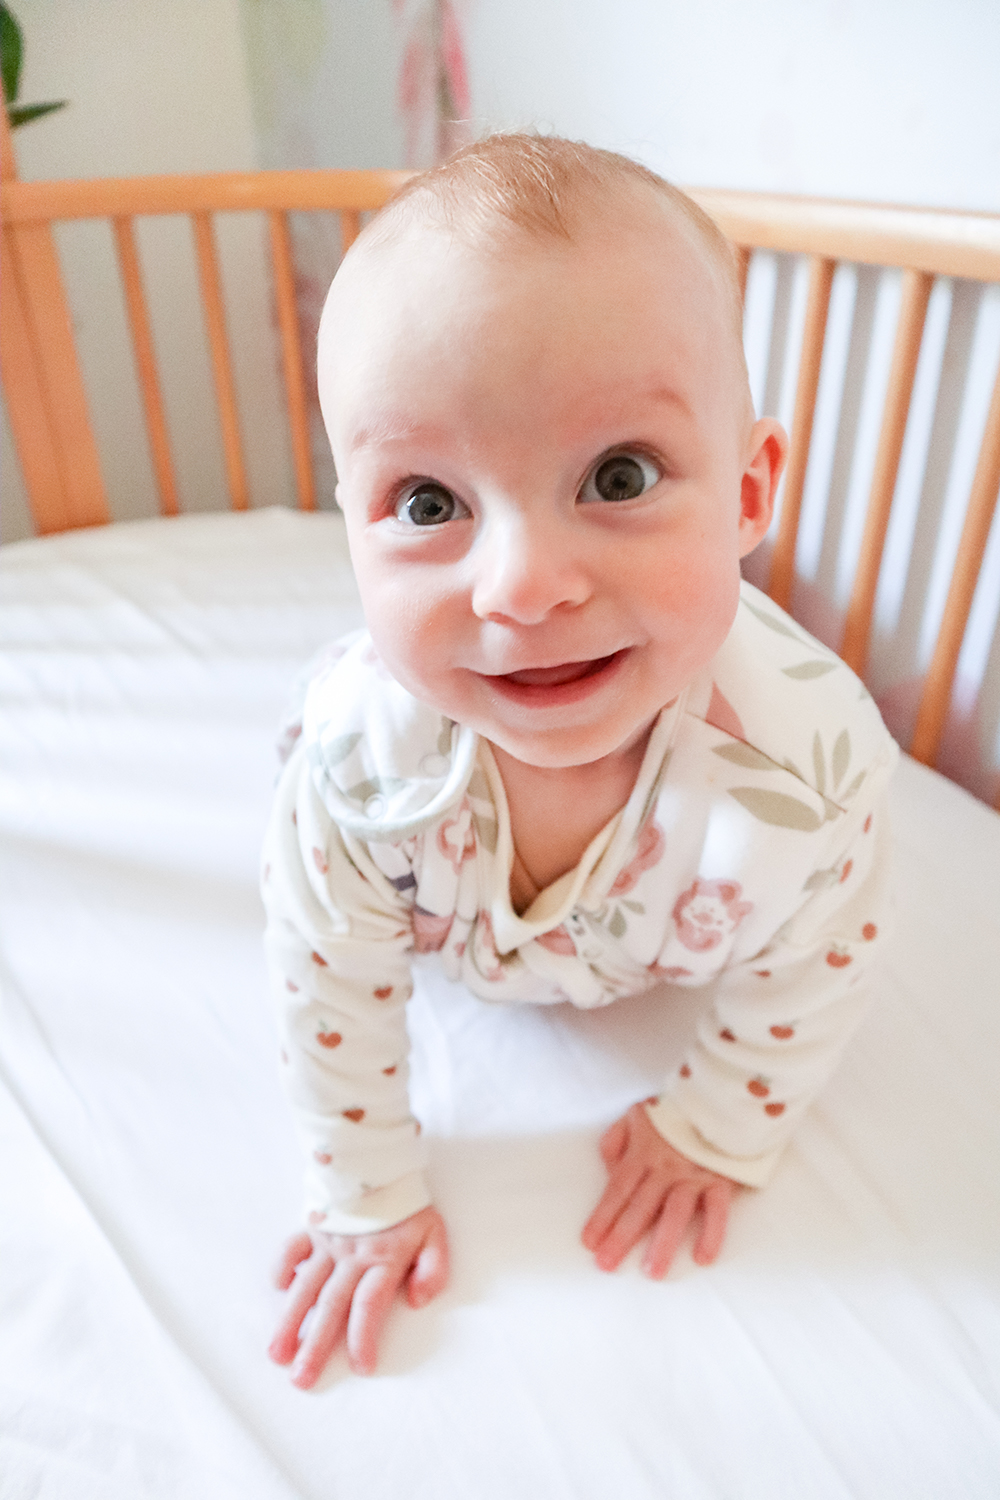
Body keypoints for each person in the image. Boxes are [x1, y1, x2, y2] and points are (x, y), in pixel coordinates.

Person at [262, 134, 897, 1387]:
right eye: (429, 504)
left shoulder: (809, 777)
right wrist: (369, 1189)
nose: (523, 587)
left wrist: (716, 1125)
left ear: (750, 491)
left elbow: (818, 969)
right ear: (348, 522)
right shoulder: (355, 770)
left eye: (618, 476)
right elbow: (324, 980)